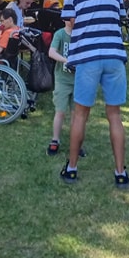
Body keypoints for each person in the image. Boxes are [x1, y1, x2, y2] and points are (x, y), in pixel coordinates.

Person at [59, 0, 129, 188]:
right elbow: (119, 18)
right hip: (114, 54)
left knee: (80, 114)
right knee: (115, 115)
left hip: (87, 56)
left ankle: (72, 168)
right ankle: (120, 172)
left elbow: (70, 23)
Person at [46, 18, 74, 156]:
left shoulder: (81, 34)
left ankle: (76, 142)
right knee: (60, 111)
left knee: (77, 114)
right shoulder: (60, 34)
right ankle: (55, 139)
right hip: (62, 80)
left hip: (78, 80)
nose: (73, 21)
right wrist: (65, 60)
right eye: (70, 18)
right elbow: (51, 52)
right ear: (64, 20)